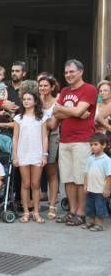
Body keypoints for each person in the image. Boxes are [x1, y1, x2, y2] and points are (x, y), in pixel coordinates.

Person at [53, 59, 98, 227]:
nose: (68, 75)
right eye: (66, 72)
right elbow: (57, 114)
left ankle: (81, 213)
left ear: (81, 71)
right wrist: (76, 112)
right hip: (64, 140)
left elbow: (71, 110)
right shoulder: (64, 90)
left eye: (71, 71)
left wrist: (65, 110)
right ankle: (72, 211)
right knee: (68, 179)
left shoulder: (90, 89)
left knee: (80, 179)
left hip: (83, 140)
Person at [12, 91, 49, 224]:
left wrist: (45, 155)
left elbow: (45, 137)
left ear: (35, 101)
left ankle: (36, 212)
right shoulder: (18, 118)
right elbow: (15, 138)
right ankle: (26, 212)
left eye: (29, 99)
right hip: (23, 153)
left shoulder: (42, 117)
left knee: (36, 184)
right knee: (25, 184)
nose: (26, 101)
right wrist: (15, 155)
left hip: (37, 153)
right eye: (24, 99)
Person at [39, 75, 61, 219]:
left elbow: (53, 125)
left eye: (46, 85)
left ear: (52, 87)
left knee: (51, 171)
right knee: (36, 171)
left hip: (52, 137)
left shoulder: (58, 101)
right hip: (36, 138)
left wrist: (39, 122)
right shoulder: (36, 101)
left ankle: (52, 206)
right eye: (40, 85)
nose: (42, 88)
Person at [83, 133, 111, 231]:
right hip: (91, 189)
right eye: (91, 145)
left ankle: (99, 224)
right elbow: (86, 173)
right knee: (90, 207)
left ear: (103, 145)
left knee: (99, 207)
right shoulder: (90, 158)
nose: (93, 147)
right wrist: (85, 185)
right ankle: (91, 222)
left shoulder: (106, 160)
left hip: (100, 190)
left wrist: (107, 189)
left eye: (95, 144)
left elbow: (109, 176)